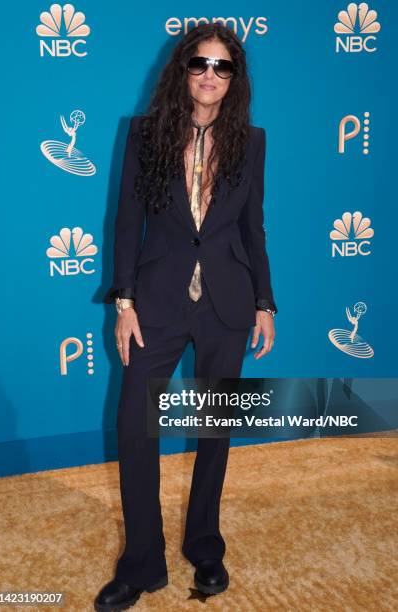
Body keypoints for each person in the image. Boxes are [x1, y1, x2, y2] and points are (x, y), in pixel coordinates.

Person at [95, 22, 278, 611]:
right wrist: (124, 302)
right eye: (200, 63)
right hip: (156, 301)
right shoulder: (146, 134)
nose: (209, 75)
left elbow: (253, 228)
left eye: (223, 67)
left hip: (228, 301)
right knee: (133, 424)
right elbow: (127, 222)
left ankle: (205, 545)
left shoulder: (251, 141)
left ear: (234, 79)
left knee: (214, 430)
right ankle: (140, 562)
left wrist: (264, 303)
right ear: (182, 70)